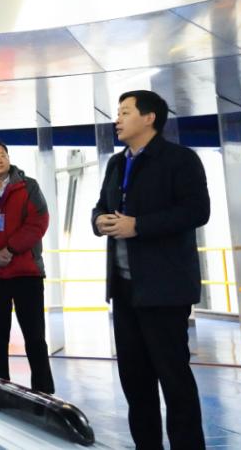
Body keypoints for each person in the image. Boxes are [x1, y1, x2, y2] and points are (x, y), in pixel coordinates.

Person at [92, 90, 210, 450]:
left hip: (164, 289)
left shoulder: (180, 159)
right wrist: (99, 221)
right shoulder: (116, 163)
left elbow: (196, 211)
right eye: (118, 113)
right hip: (125, 290)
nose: (117, 120)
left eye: (125, 112)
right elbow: (100, 205)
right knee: (135, 381)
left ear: (149, 118)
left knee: (174, 379)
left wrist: (138, 226)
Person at [0, 141, 54, 393]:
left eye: (2, 155)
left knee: (35, 336)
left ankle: (44, 390)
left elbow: (39, 221)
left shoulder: (28, 186)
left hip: (27, 272)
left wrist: (10, 249)